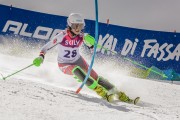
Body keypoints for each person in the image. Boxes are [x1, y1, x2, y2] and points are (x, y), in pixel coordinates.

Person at [33, 13, 139, 104]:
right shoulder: (62, 36)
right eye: (76, 26)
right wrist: (41, 57)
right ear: (70, 25)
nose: (78, 29)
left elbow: (93, 50)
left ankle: (120, 94)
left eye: (80, 26)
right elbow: (45, 48)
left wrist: (92, 44)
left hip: (78, 60)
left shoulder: (82, 36)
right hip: (64, 64)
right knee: (76, 70)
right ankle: (102, 93)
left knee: (96, 77)